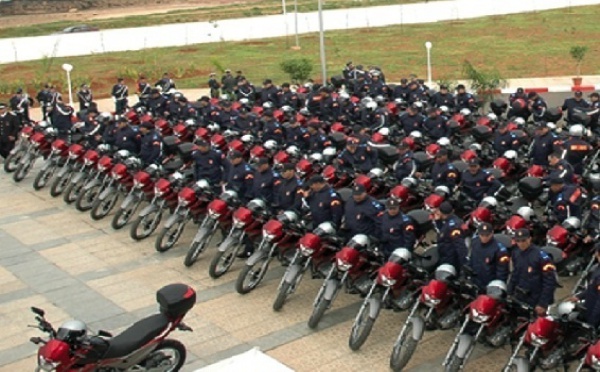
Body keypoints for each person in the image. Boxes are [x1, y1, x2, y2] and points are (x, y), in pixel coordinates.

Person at [508, 228, 557, 315]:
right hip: (520, 295)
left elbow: (549, 282)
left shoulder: (541, 257)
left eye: (523, 240)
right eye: (518, 241)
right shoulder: (516, 253)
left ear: (529, 239)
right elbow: (515, 273)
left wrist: (542, 303)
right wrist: (509, 291)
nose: (521, 243)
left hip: (536, 298)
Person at [468, 223, 510, 290]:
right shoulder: (475, 242)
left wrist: (496, 288)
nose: (484, 237)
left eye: (487, 235)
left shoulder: (500, 250)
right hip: (475, 281)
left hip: (489, 285)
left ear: (492, 233)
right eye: (482, 235)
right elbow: (471, 260)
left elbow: (502, 272)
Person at [433, 201, 468, 273]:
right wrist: (438, 222)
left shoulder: (454, 227)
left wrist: (463, 265)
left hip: (450, 259)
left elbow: (460, 246)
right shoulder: (448, 221)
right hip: (444, 255)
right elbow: (443, 232)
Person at [571, 244, 600, 327]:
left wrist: (591, 322)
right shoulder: (597, 268)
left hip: (594, 316)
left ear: (597, 253)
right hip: (589, 308)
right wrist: (579, 296)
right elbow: (592, 288)